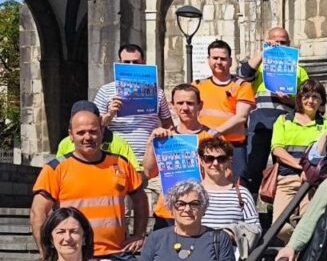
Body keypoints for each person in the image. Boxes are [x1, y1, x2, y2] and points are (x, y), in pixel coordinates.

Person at [31, 102, 148, 261]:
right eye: (81, 132)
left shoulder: (120, 164)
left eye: (93, 131)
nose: (88, 137)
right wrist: (46, 252)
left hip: (116, 254)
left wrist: (139, 234)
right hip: (75, 256)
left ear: (102, 131)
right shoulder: (55, 169)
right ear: (71, 135)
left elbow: (140, 199)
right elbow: (38, 212)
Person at [239, 27, 309, 194]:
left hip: (286, 127)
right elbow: (243, 74)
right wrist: (264, 52)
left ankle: (279, 206)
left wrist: (290, 100)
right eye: (275, 42)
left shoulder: (299, 71)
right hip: (260, 125)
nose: (279, 45)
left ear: (289, 44)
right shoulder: (259, 66)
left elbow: (307, 103)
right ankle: (249, 206)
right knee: (253, 170)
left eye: (283, 42)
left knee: (285, 171)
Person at [134, 180, 237, 261]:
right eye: (180, 204)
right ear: (171, 209)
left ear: (204, 209)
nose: (187, 209)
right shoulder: (156, 238)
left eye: (194, 204)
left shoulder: (219, 239)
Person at [142, 83, 210, 229]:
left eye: (190, 103)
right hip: (167, 213)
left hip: (200, 212)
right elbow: (149, 172)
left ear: (200, 105)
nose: (185, 108)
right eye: (180, 103)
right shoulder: (164, 137)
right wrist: (151, 144)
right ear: (172, 105)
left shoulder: (212, 138)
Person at [92, 42, 173, 165]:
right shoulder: (105, 90)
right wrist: (110, 114)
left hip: (148, 159)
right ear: (119, 63)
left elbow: (168, 123)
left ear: (143, 63)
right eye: (126, 62)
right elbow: (95, 125)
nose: (131, 66)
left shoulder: (157, 92)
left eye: (135, 62)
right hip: (116, 158)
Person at [269, 79, 327, 230]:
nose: (310, 101)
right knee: (280, 228)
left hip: (312, 184)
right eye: (306, 96)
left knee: (308, 227)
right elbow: (277, 150)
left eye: (315, 97)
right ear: (299, 98)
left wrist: (309, 172)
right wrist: (303, 167)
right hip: (287, 180)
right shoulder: (283, 120)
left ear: (321, 101)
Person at [195, 39, 256, 175]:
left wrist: (215, 132)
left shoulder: (242, 86)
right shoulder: (198, 86)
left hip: (233, 146)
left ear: (230, 61)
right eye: (215, 58)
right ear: (208, 60)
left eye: (223, 58)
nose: (218, 62)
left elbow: (241, 117)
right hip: (205, 145)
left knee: (235, 184)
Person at [198, 137, 262, 238]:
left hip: (232, 247)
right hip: (199, 246)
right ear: (202, 161)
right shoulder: (193, 192)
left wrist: (234, 233)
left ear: (228, 161)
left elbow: (256, 229)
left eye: (221, 159)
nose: (215, 163)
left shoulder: (242, 194)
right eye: (209, 159)